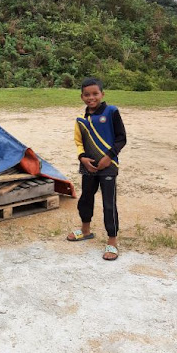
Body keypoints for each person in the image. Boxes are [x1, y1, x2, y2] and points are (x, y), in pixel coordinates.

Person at [66, 77, 127, 260]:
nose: (91, 97)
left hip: (109, 166)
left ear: (102, 94)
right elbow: (79, 142)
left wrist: (109, 157)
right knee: (85, 198)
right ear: (82, 96)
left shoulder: (111, 112)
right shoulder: (82, 120)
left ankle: (112, 241)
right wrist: (82, 158)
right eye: (87, 94)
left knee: (109, 203)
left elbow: (121, 138)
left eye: (95, 94)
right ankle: (85, 231)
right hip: (89, 167)